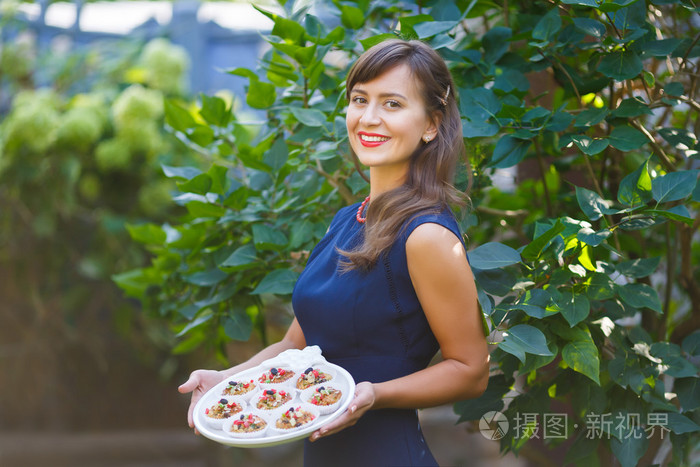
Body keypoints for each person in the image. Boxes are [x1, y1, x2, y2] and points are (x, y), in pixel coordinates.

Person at [178, 38, 490, 466]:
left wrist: (375, 394)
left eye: (393, 104)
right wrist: (226, 380)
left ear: (431, 124)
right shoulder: (347, 219)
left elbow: (471, 371)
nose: (369, 118)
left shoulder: (427, 236)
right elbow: (297, 344)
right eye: (360, 99)